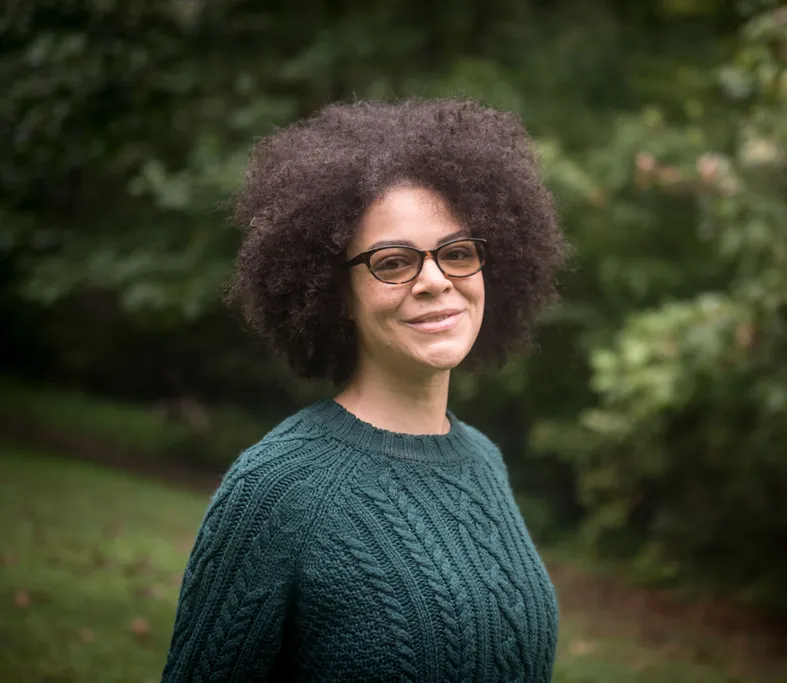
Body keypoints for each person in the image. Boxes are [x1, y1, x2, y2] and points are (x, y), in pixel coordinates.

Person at [159, 98, 569, 683]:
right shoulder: (278, 488)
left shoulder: (483, 460)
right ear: (336, 294)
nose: (434, 281)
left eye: (456, 253)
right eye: (394, 262)